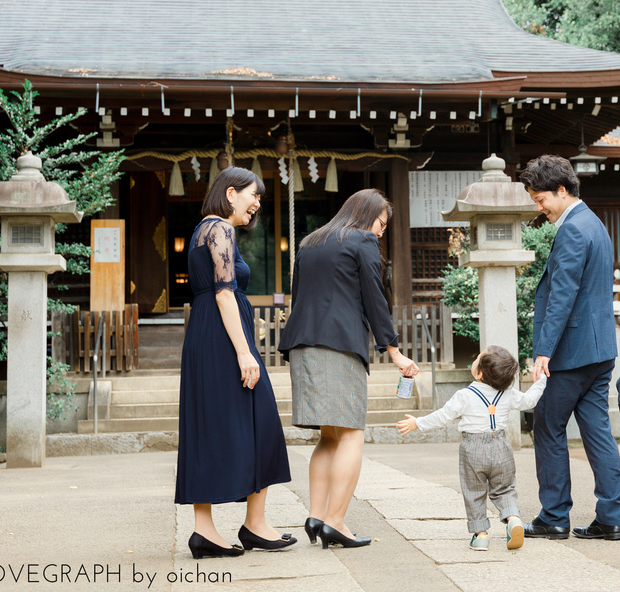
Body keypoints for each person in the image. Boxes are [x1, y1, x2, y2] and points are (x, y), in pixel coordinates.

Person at [278, 189, 419, 550]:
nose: (381, 231)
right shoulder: (361, 240)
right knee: (352, 433)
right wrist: (394, 351)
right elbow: (375, 295)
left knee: (329, 436)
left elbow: (300, 295)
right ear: (365, 213)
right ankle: (336, 522)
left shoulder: (310, 242)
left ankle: (317, 515)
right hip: (337, 344)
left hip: (302, 345)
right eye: (381, 222)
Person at [175, 167, 295, 560]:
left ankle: (210, 529)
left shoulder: (201, 229)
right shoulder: (220, 229)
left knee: (208, 426)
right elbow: (225, 294)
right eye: (252, 195)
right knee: (262, 423)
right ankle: (250, 524)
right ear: (230, 193)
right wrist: (245, 352)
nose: (257, 202)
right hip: (222, 341)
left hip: (206, 336)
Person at [519, 155, 620, 542]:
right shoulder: (594, 224)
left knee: (547, 427)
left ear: (561, 190)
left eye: (540, 198)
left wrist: (544, 350)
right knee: (598, 432)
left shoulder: (571, 230)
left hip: (571, 353)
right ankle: (611, 516)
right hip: (599, 350)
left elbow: (562, 294)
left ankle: (553, 516)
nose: (539, 207)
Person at [397, 345, 546, 551]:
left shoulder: (464, 395)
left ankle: (481, 535)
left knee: (474, 491)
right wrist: (541, 382)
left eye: (478, 359)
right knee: (505, 488)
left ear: (479, 373)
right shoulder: (508, 394)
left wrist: (418, 423)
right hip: (501, 446)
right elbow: (529, 400)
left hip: (473, 448)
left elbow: (443, 416)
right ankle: (513, 519)